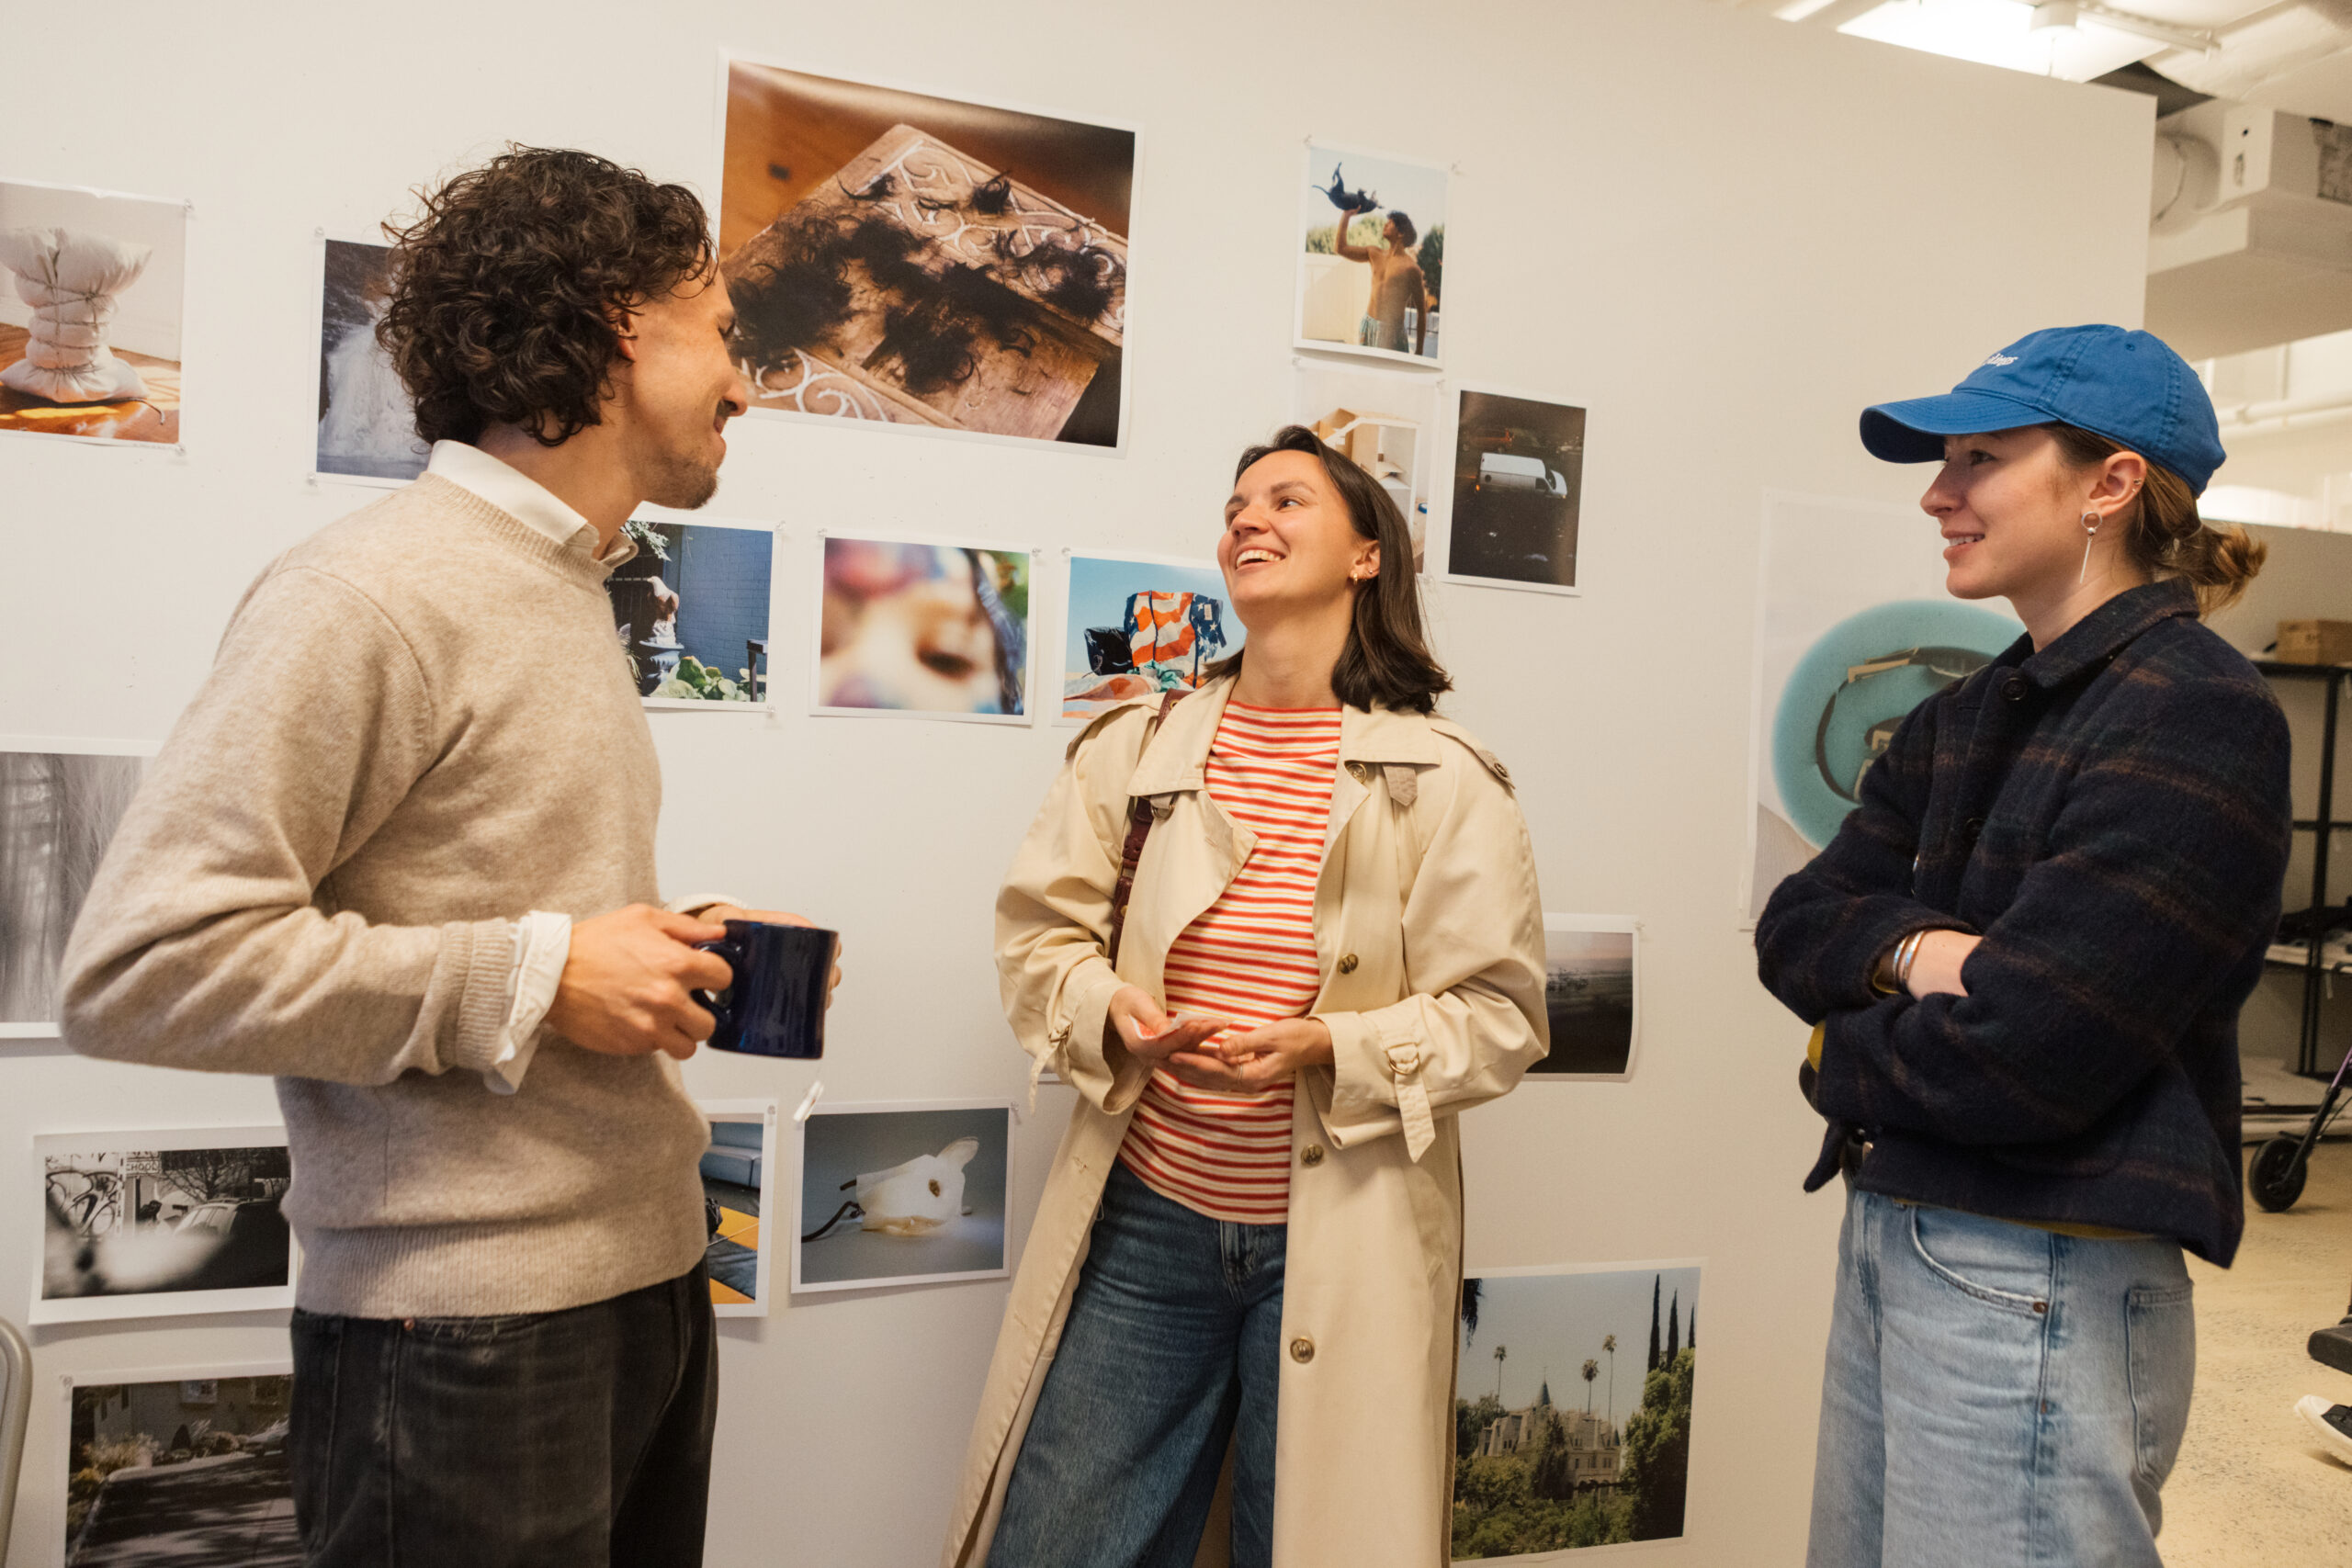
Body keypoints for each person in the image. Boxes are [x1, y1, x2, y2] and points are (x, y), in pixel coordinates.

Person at [58, 147, 833, 1568]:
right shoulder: (371, 589)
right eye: (724, 335)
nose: (744, 383)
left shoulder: (561, 580)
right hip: (465, 1336)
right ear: (617, 322)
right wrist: (535, 975)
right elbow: (139, 966)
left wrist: (651, 943)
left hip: (645, 1285)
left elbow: (492, 905)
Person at [944, 426, 1548, 1568]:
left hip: (1347, 1233)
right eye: (1234, 506)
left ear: (1368, 556)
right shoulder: (1138, 741)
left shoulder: (1448, 777)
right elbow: (1040, 936)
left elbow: (1502, 1017)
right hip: (1147, 1224)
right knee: (1060, 1545)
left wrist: (1331, 1045)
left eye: (1286, 500)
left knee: (1316, 1545)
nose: (1246, 521)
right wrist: (1109, 1012)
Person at [1755, 325, 2292, 1568]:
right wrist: (1929, 957)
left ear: (2110, 483)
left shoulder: (2196, 710)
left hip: (2046, 1268)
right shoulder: (1967, 708)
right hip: (1904, 1229)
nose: (1939, 493)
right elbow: (1798, 924)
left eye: (1982, 458)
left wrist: (1842, 1042)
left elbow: (2032, 1049)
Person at [1332, 206, 1428, 355]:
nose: (1385, 225)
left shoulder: (1411, 268)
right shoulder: (1374, 253)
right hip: (1368, 325)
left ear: (1401, 233)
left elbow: (1422, 312)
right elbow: (1340, 248)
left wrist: (1419, 350)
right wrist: (1346, 215)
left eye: (1390, 223)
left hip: (1392, 334)